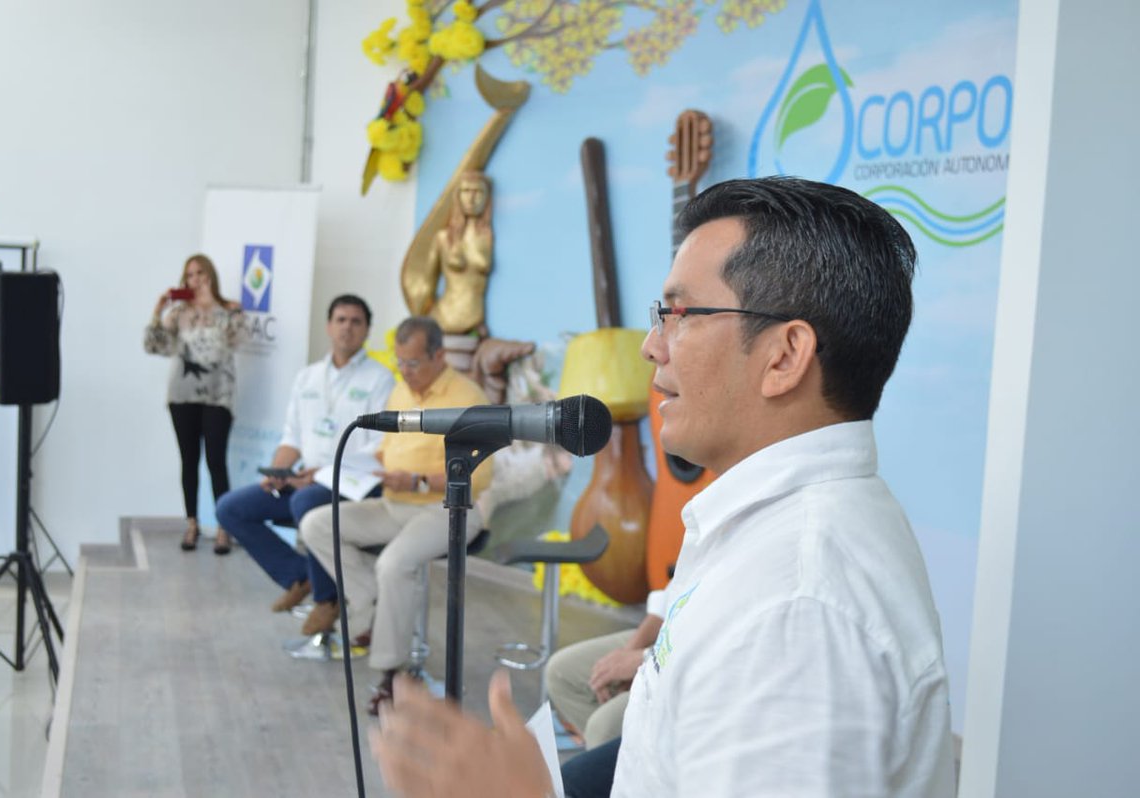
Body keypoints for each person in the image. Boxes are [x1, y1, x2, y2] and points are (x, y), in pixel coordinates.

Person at [372, 176, 956, 797]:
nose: (653, 346)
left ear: (785, 356)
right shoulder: (783, 531)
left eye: (680, 314)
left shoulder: (795, 611)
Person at [300, 315, 492, 715]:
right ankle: (369, 602)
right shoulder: (401, 391)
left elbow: (481, 473)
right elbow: (386, 450)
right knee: (316, 523)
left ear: (439, 355)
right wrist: (353, 468)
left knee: (393, 564)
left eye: (413, 363)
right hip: (394, 503)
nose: (404, 371)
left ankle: (393, 675)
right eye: (399, 362)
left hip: (448, 510)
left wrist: (418, 482)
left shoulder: (467, 396)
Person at [214, 295, 394, 635]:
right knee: (230, 508)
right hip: (303, 483)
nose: (347, 328)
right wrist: (278, 473)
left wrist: (322, 475)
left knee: (305, 501)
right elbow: (292, 438)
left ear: (367, 330)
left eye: (356, 321)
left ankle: (327, 599)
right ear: (328, 326)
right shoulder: (308, 377)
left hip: (351, 486)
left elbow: (380, 448)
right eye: (341, 320)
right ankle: (299, 576)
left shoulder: (380, 380)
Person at [144, 253, 244, 554]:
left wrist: (212, 305)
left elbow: (234, 342)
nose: (196, 279)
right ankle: (191, 523)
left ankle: (224, 526)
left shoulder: (230, 310)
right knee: (189, 460)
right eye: (190, 275)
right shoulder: (178, 314)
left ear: (211, 275)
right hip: (182, 395)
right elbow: (154, 346)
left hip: (218, 395)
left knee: (216, 460)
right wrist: (158, 312)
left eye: (201, 273)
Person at [545, 591, 665, 749]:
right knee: (560, 672)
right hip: (666, 636)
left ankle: (614, 749)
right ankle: (611, 752)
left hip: (685, 661)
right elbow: (671, 597)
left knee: (601, 728)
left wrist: (642, 659)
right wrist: (625, 655)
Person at [404, 170, 494, 337]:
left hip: (474, 318)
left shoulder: (486, 237)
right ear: (457, 196)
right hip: (444, 316)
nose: (471, 198)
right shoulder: (443, 238)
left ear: (487, 197)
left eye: (478, 192)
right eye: (466, 191)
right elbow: (427, 282)